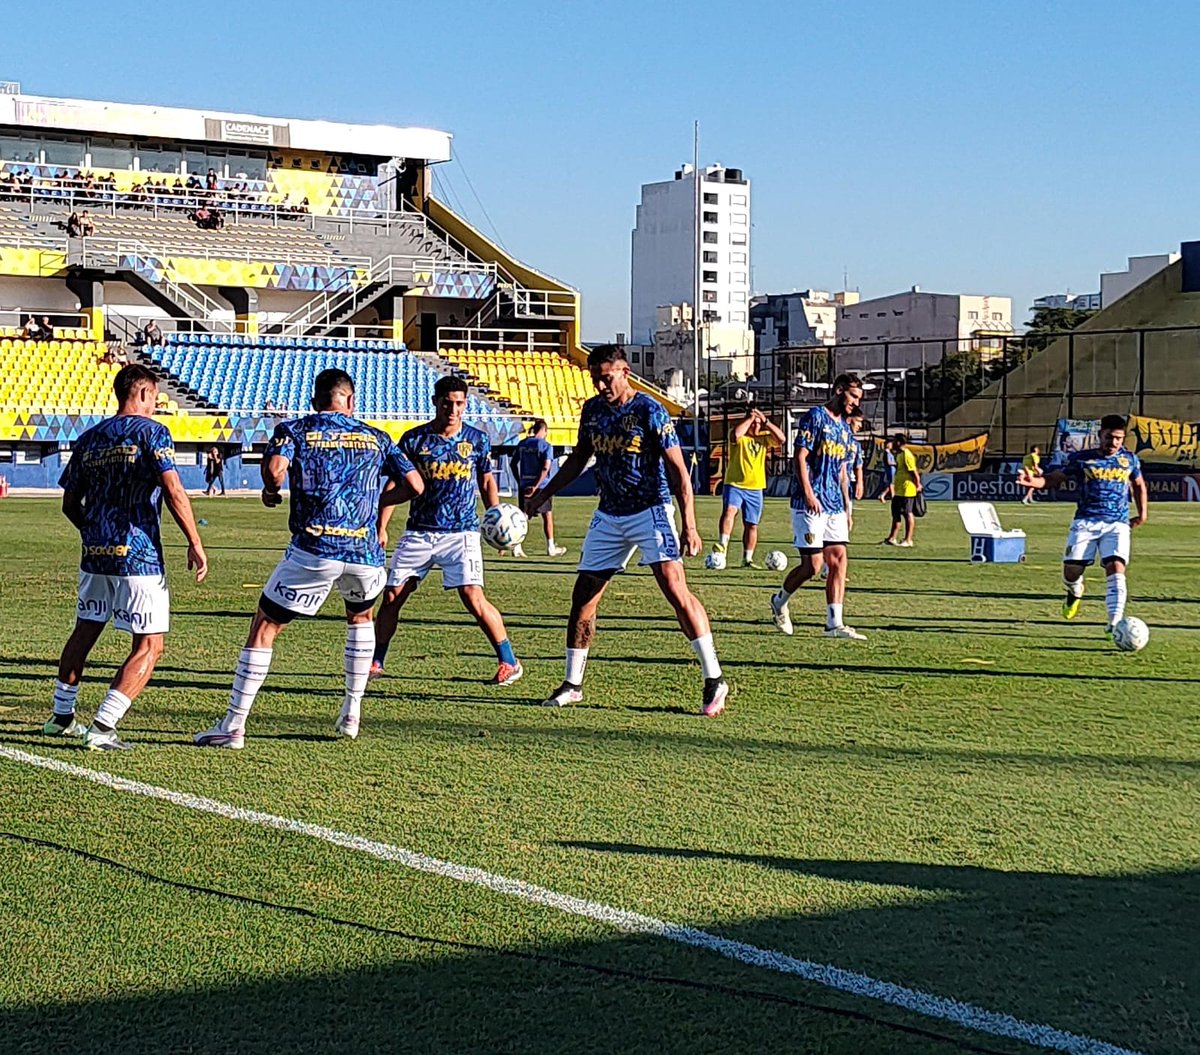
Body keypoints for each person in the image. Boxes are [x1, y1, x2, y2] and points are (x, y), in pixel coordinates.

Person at [194, 369, 422, 748]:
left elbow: (275, 470)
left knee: (265, 627)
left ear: (316, 401)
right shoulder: (377, 437)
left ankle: (234, 725)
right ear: (350, 401)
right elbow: (415, 485)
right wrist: (378, 504)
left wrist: (271, 490)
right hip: (365, 553)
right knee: (360, 617)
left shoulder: (296, 430)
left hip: (316, 549)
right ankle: (352, 710)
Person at [524, 344, 729, 717]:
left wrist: (690, 526)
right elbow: (578, 460)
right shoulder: (593, 410)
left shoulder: (649, 410)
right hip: (609, 514)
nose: (601, 384)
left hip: (650, 510)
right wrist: (544, 493)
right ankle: (572, 683)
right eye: (595, 378)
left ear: (625, 373)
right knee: (583, 596)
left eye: (607, 377)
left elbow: (679, 471)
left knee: (674, 589)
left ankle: (714, 678)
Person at [43, 364, 208, 750]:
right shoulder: (153, 432)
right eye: (155, 397)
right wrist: (195, 541)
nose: (156, 404)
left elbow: (69, 503)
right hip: (139, 557)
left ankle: (61, 716)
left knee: (85, 630)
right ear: (145, 393)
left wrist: (94, 533)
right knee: (150, 644)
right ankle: (103, 726)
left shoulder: (89, 439)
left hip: (95, 555)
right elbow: (173, 489)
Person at [370, 375, 524, 686]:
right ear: (435, 402)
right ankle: (376, 660)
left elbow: (486, 481)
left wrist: (496, 519)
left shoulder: (476, 440)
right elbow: (394, 484)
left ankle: (509, 661)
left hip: (461, 533)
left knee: (472, 596)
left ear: (465, 404)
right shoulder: (414, 440)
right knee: (392, 596)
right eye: (447, 403)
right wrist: (381, 525)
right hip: (419, 531)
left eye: (459, 404)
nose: (453, 409)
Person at [1018, 414, 1148, 636]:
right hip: (1086, 521)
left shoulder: (1130, 460)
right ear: (1100, 435)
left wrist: (1142, 514)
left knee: (1116, 568)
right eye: (1109, 437)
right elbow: (1055, 478)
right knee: (1071, 571)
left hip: (1117, 523)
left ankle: (1114, 625)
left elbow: (1138, 484)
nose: (1114, 442)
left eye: (1118, 438)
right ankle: (1075, 589)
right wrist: (1036, 483)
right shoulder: (1081, 458)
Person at [769, 374, 867, 640]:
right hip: (809, 502)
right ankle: (779, 601)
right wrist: (809, 493)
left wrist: (848, 509)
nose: (856, 403)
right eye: (853, 396)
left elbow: (843, 473)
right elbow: (799, 457)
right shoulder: (815, 416)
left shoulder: (845, 431)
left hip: (834, 504)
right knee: (812, 566)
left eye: (859, 398)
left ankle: (834, 624)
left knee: (838, 560)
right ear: (838, 391)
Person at [712, 407, 785, 569]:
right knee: (730, 511)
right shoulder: (739, 435)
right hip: (735, 483)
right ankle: (722, 546)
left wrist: (765, 421)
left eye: (758, 424)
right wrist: (750, 418)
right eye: (753, 423)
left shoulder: (764, 439)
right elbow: (736, 435)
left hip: (755, 487)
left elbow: (781, 439)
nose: (756, 426)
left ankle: (747, 559)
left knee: (751, 524)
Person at [509, 418, 567, 558]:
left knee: (523, 517)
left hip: (524, 485)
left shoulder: (522, 444)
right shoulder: (546, 446)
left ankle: (516, 546)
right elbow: (545, 468)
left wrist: (519, 480)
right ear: (545, 431)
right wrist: (536, 486)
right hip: (541, 486)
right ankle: (550, 547)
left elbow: (512, 464)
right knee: (547, 516)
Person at [881, 433, 922, 547]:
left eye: (894, 441)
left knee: (908, 513)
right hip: (899, 489)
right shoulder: (899, 455)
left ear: (898, 442)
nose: (892, 443)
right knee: (896, 513)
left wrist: (918, 484)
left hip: (907, 489)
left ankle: (908, 540)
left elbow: (914, 472)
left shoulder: (906, 455)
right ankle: (892, 538)